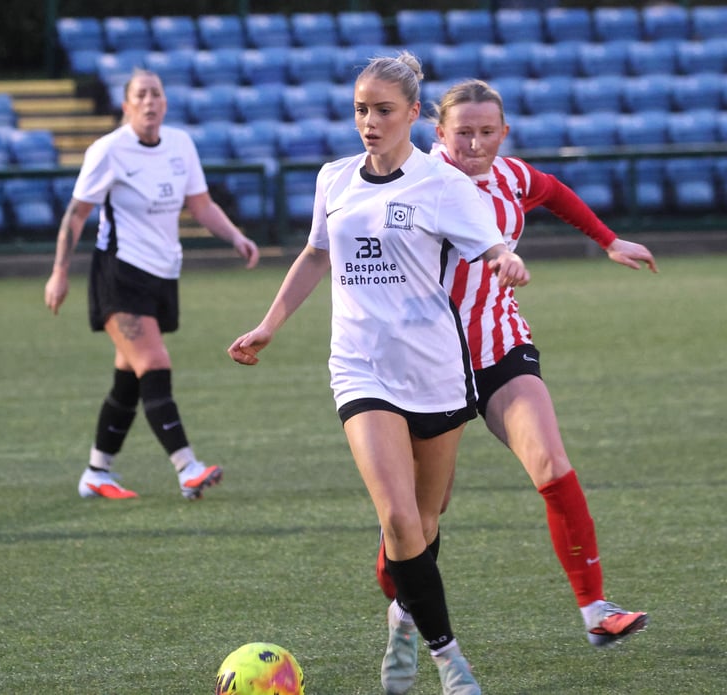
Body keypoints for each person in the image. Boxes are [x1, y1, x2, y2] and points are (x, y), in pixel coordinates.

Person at [228, 53, 529, 695]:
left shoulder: (443, 186)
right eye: (361, 109)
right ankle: (451, 662)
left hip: (437, 373)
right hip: (360, 367)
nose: (369, 121)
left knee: (425, 522)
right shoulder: (334, 179)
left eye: (383, 110)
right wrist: (269, 324)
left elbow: (491, 240)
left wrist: (506, 259)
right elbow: (315, 254)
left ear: (414, 115)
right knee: (396, 517)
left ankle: (401, 625)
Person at [376, 78, 656, 649]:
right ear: (438, 134)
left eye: (487, 132)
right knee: (423, 516)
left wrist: (608, 240)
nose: (475, 144)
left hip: (501, 347)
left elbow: (553, 191)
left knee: (551, 462)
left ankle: (597, 610)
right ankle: (404, 593)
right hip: (433, 367)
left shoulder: (511, 176)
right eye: (463, 133)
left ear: (504, 132)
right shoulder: (416, 183)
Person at [44, 69, 260, 500]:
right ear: (126, 106)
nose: (149, 101)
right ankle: (187, 468)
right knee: (155, 364)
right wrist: (60, 271)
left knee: (129, 378)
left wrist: (236, 236)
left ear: (165, 102)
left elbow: (199, 204)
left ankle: (96, 472)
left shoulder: (180, 144)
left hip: (162, 274)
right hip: (118, 275)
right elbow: (76, 214)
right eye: (140, 95)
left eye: (156, 93)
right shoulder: (108, 151)